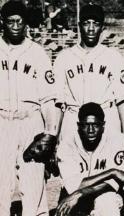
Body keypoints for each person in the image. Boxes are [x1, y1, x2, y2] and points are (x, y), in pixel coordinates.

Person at [0, 1, 60, 215]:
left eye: (19, 21)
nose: (15, 26)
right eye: (10, 21)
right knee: (0, 187)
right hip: (2, 121)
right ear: (2, 22)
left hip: (30, 122)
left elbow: (48, 99)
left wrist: (50, 134)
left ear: (25, 23)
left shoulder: (37, 53)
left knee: (34, 186)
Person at [53, 4, 124, 140]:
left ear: (102, 27)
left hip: (106, 117)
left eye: (95, 24)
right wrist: (55, 134)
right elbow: (58, 101)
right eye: (86, 23)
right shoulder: (64, 57)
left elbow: (122, 98)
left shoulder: (114, 56)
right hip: (74, 118)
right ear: (79, 25)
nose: (90, 29)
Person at [55, 102, 124, 216]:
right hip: (74, 198)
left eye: (95, 125)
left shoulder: (117, 140)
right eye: (86, 125)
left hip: (105, 194)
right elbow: (75, 187)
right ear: (79, 125)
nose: (91, 130)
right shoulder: (67, 145)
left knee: (107, 202)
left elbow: (112, 184)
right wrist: (112, 172)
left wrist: (79, 193)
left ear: (103, 125)